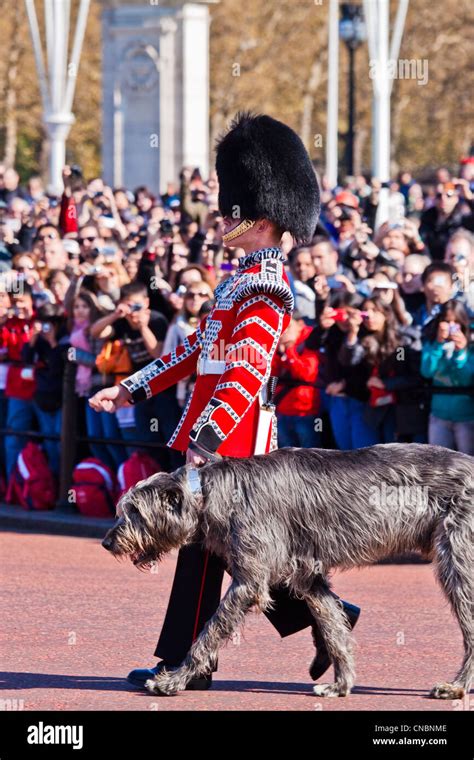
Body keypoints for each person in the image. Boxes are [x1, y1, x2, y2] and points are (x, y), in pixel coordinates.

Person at [90, 112, 360, 691]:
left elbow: (245, 374)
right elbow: (194, 352)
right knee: (241, 554)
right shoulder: (239, 280)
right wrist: (130, 387)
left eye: (232, 210)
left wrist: (206, 444)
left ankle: (185, 662)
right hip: (215, 438)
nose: (221, 217)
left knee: (209, 551)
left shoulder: (266, 288)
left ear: (259, 220)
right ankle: (329, 614)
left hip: (233, 445)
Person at [421, 300, 474, 455]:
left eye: (455, 322)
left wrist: (460, 353)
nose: (451, 326)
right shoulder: (431, 342)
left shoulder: (471, 345)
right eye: (446, 321)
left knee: (468, 464)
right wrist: (438, 344)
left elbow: (466, 380)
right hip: (438, 416)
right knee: (439, 464)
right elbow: (426, 372)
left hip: (467, 416)